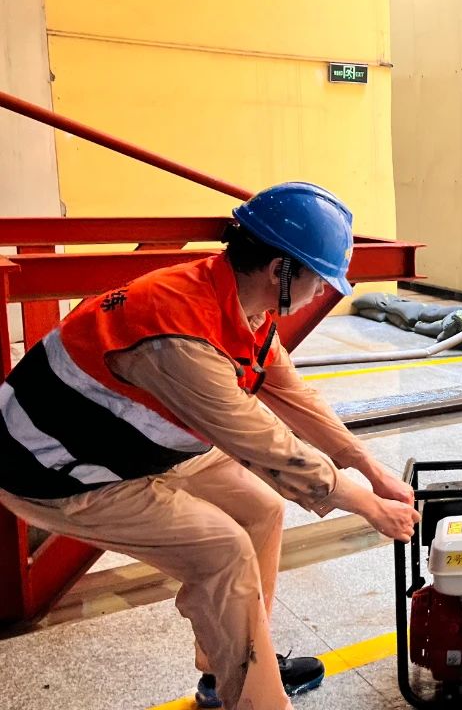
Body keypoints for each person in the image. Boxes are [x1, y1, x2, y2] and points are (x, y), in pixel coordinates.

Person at [0, 182, 421, 709]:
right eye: (319, 278)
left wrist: (371, 469)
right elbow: (270, 448)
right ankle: (257, 700)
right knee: (224, 552)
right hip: (59, 469)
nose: (322, 292)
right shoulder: (179, 336)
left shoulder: (238, 304)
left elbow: (295, 397)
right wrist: (369, 508)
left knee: (261, 510)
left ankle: (232, 666)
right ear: (280, 271)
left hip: (127, 441)